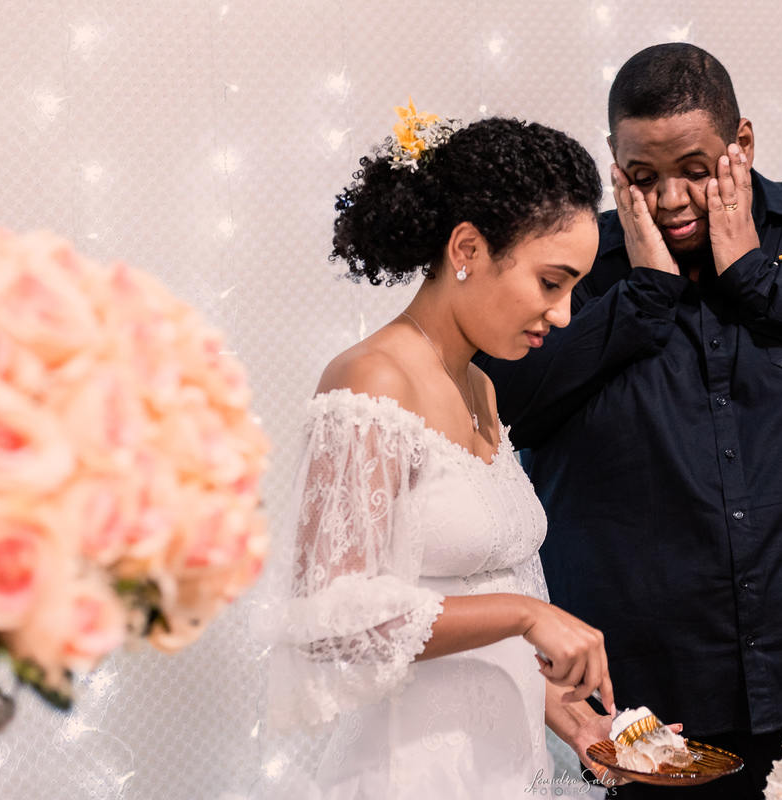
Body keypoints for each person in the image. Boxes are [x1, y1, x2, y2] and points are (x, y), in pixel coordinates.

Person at [476, 44, 782, 798]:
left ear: (744, 144)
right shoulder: (576, 263)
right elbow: (506, 405)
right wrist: (639, 299)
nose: (670, 200)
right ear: (613, 160)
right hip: (656, 707)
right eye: (643, 177)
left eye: (695, 171)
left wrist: (757, 279)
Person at [253, 113, 622, 799]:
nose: (566, 316)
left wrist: (562, 716)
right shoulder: (372, 379)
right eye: (551, 282)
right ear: (468, 248)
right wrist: (525, 614)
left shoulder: (480, 386)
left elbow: (467, 590)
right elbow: (325, 617)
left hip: (508, 773)